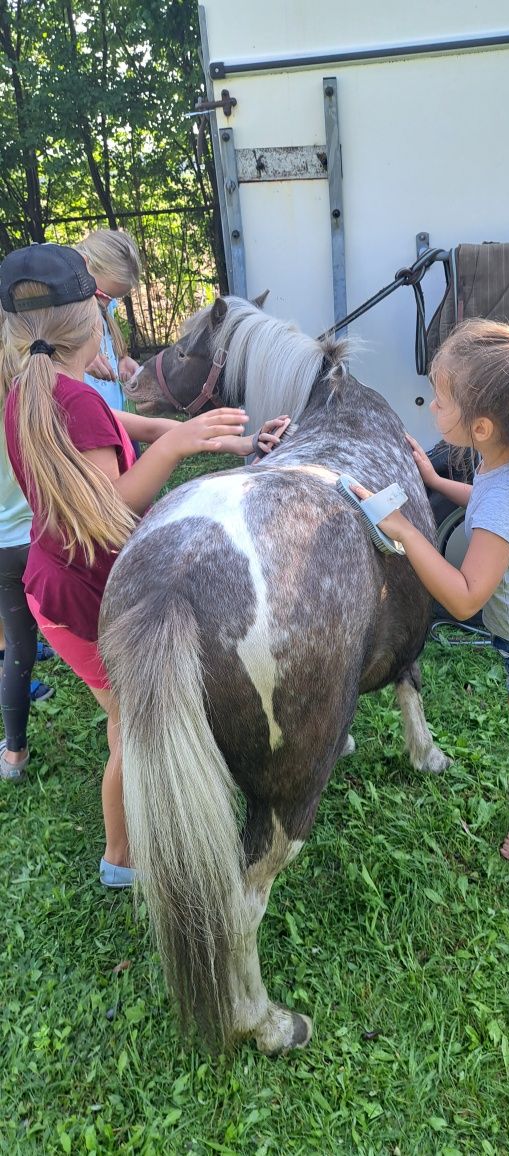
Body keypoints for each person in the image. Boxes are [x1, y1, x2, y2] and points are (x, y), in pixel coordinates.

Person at [0, 242, 285, 884]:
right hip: (81, 594)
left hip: (58, 583)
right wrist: (182, 443)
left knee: (127, 720)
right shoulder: (71, 401)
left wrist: (227, 438)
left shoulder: (33, 388)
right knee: (130, 728)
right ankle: (120, 858)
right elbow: (115, 504)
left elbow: (121, 422)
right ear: (91, 322)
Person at [352, 318, 509, 883]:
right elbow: (494, 507)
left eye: (440, 399)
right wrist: (437, 481)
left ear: (483, 425)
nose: (432, 405)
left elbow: (466, 598)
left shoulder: (504, 494)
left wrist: (407, 532)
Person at [0, 420, 54, 781]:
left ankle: (14, 754)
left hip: (4, 546)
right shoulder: (27, 401)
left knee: (18, 646)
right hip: (41, 535)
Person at [75, 229, 142, 410]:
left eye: (114, 297)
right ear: (84, 265)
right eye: (103, 294)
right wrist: (78, 359)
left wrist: (122, 359)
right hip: (91, 421)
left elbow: (108, 343)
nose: (107, 303)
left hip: (114, 418)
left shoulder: (104, 305)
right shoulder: (63, 312)